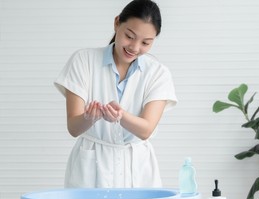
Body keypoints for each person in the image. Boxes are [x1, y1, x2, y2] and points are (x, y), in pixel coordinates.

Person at [54, 0, 177, 188]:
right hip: (90, 167)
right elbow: (73, 127)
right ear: (117, 23)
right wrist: (90, 118)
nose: (135, 48)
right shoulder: (83, 61)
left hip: (138, 168)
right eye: (129, 36)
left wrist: (121, 116)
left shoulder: (158, 73)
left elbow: (146, 130)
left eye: (146, 42)